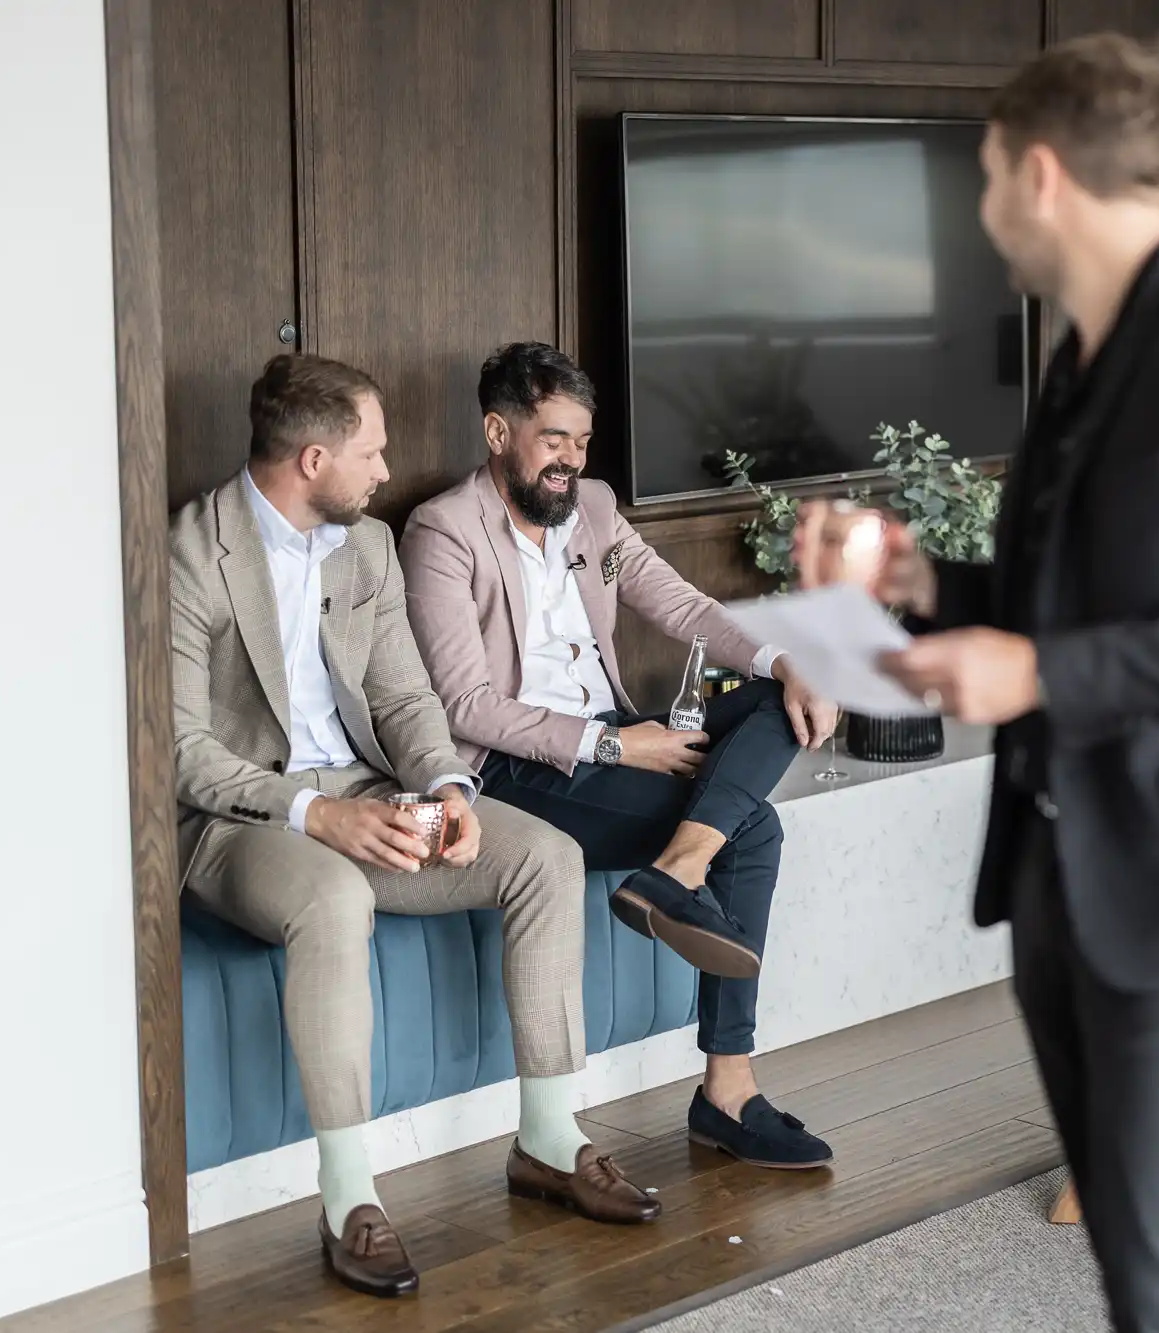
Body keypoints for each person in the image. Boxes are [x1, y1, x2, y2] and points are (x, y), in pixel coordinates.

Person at [797, 33, 1159, 1333]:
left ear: (1044, 175)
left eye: (987, 176)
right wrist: (916, 582)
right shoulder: (1077, 358)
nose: (981, 209)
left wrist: (1043, 667)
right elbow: (1069, 603)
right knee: (1138, 1252)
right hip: (1065, 861)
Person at [171, 354, 661, 1301]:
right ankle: (349, 1197)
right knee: (334, 894)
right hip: (242, 819)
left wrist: (448, 787)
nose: (387, 470)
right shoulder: (191, 553)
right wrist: (322, 814)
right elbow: (184, 752)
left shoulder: (365, 547)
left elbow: (403, 694)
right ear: (313, 460)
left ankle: (551, 1140)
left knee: (544, 858)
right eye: (372, 450)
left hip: (371, 792)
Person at [398, 342, 839, 1172]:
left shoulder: (594, 508)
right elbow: (466, 706)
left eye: (582, 441)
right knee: (756, 829)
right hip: (521, 767)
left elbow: (681, 603)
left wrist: (784, 661)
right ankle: (727, 1093)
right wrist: (613, 744)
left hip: (616, 731)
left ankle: (676, 868)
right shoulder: (443, 531)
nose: (571, 460)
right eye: (553, 439)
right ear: (497, 432)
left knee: (779, 702)